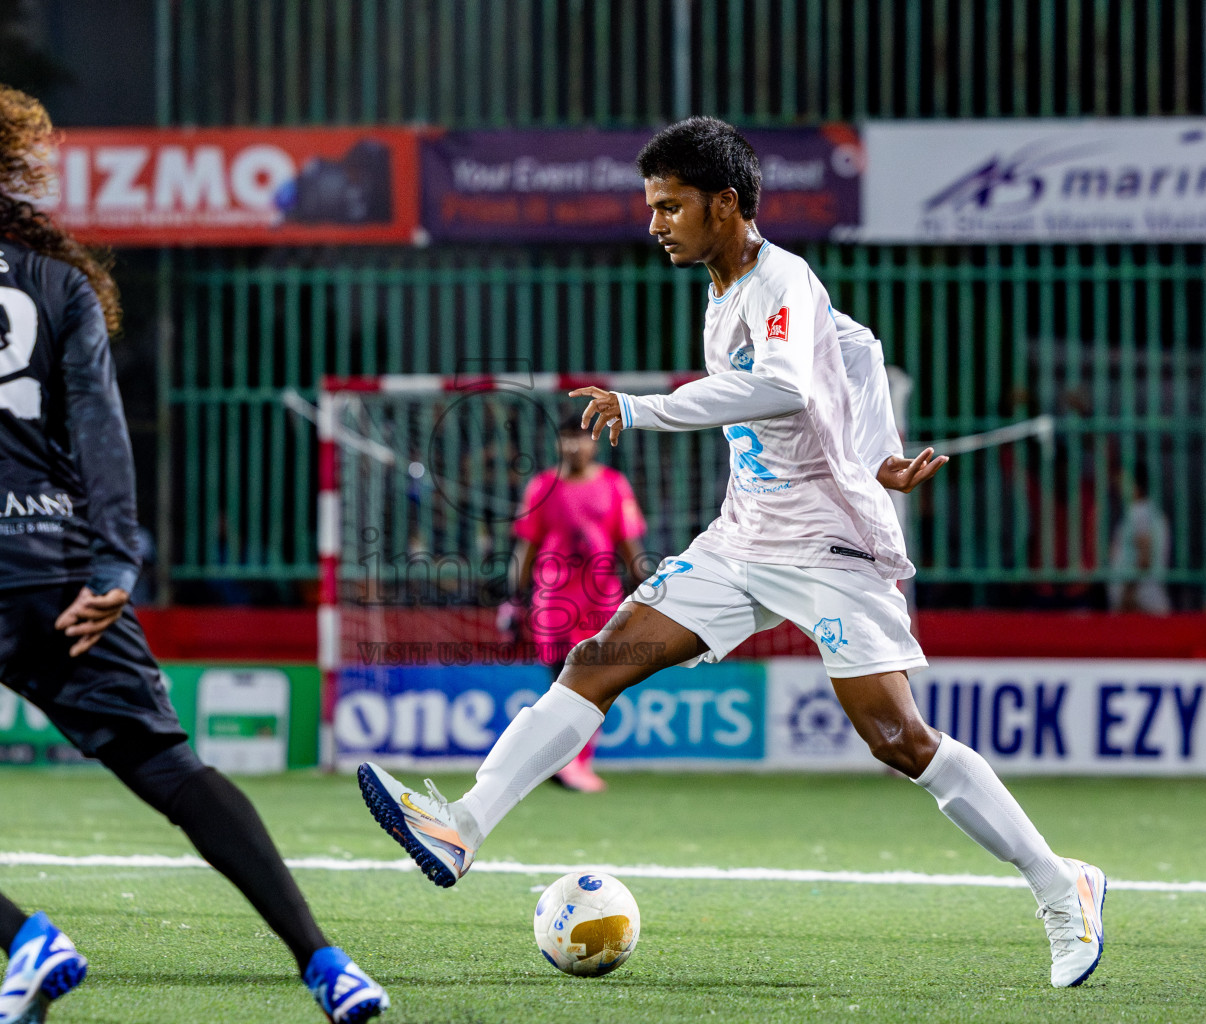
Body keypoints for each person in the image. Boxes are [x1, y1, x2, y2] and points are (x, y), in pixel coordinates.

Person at [358, 116, 1105, 990]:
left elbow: (788, 383)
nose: (655, 223)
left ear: (727, 204)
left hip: (827, 542)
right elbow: (856, 351)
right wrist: (880, 449)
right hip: (745, 535)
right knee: (599, 658)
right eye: (651, 207)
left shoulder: (781, 275)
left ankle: (1064, 885)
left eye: (671, 206)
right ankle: (464, 825)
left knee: (899, 738)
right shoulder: (728, 286)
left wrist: (646, 409)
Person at [0, 79, 386, 1024]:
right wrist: (116, 566)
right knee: (173, 770)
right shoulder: (58, 282)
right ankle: (329, 963)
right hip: (54, 559)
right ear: (5, 174)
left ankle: (26, 943)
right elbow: (101, 436)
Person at [503, 412, 647, 792]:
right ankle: (563, 762)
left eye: (580, 438)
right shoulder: (541, 487)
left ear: (594, 443)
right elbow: (526, 547)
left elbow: (629, 546)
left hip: (600, 598)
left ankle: (573, 762)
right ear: (557, 443)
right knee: (561, 684)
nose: (573, 445)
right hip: (554, 599)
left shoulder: (614, 486)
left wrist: (648, 590)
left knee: (595, 681)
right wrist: (514, 601)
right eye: (566, 438)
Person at [1107, 464, 1171, 614]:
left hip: (1139, 603)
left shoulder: (1140, 512)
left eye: (1123, 482)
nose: (1119, 487)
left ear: (1136, 485)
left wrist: (1128, 593)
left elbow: (1145, 555)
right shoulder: (1147, 512)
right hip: (1140, 601)